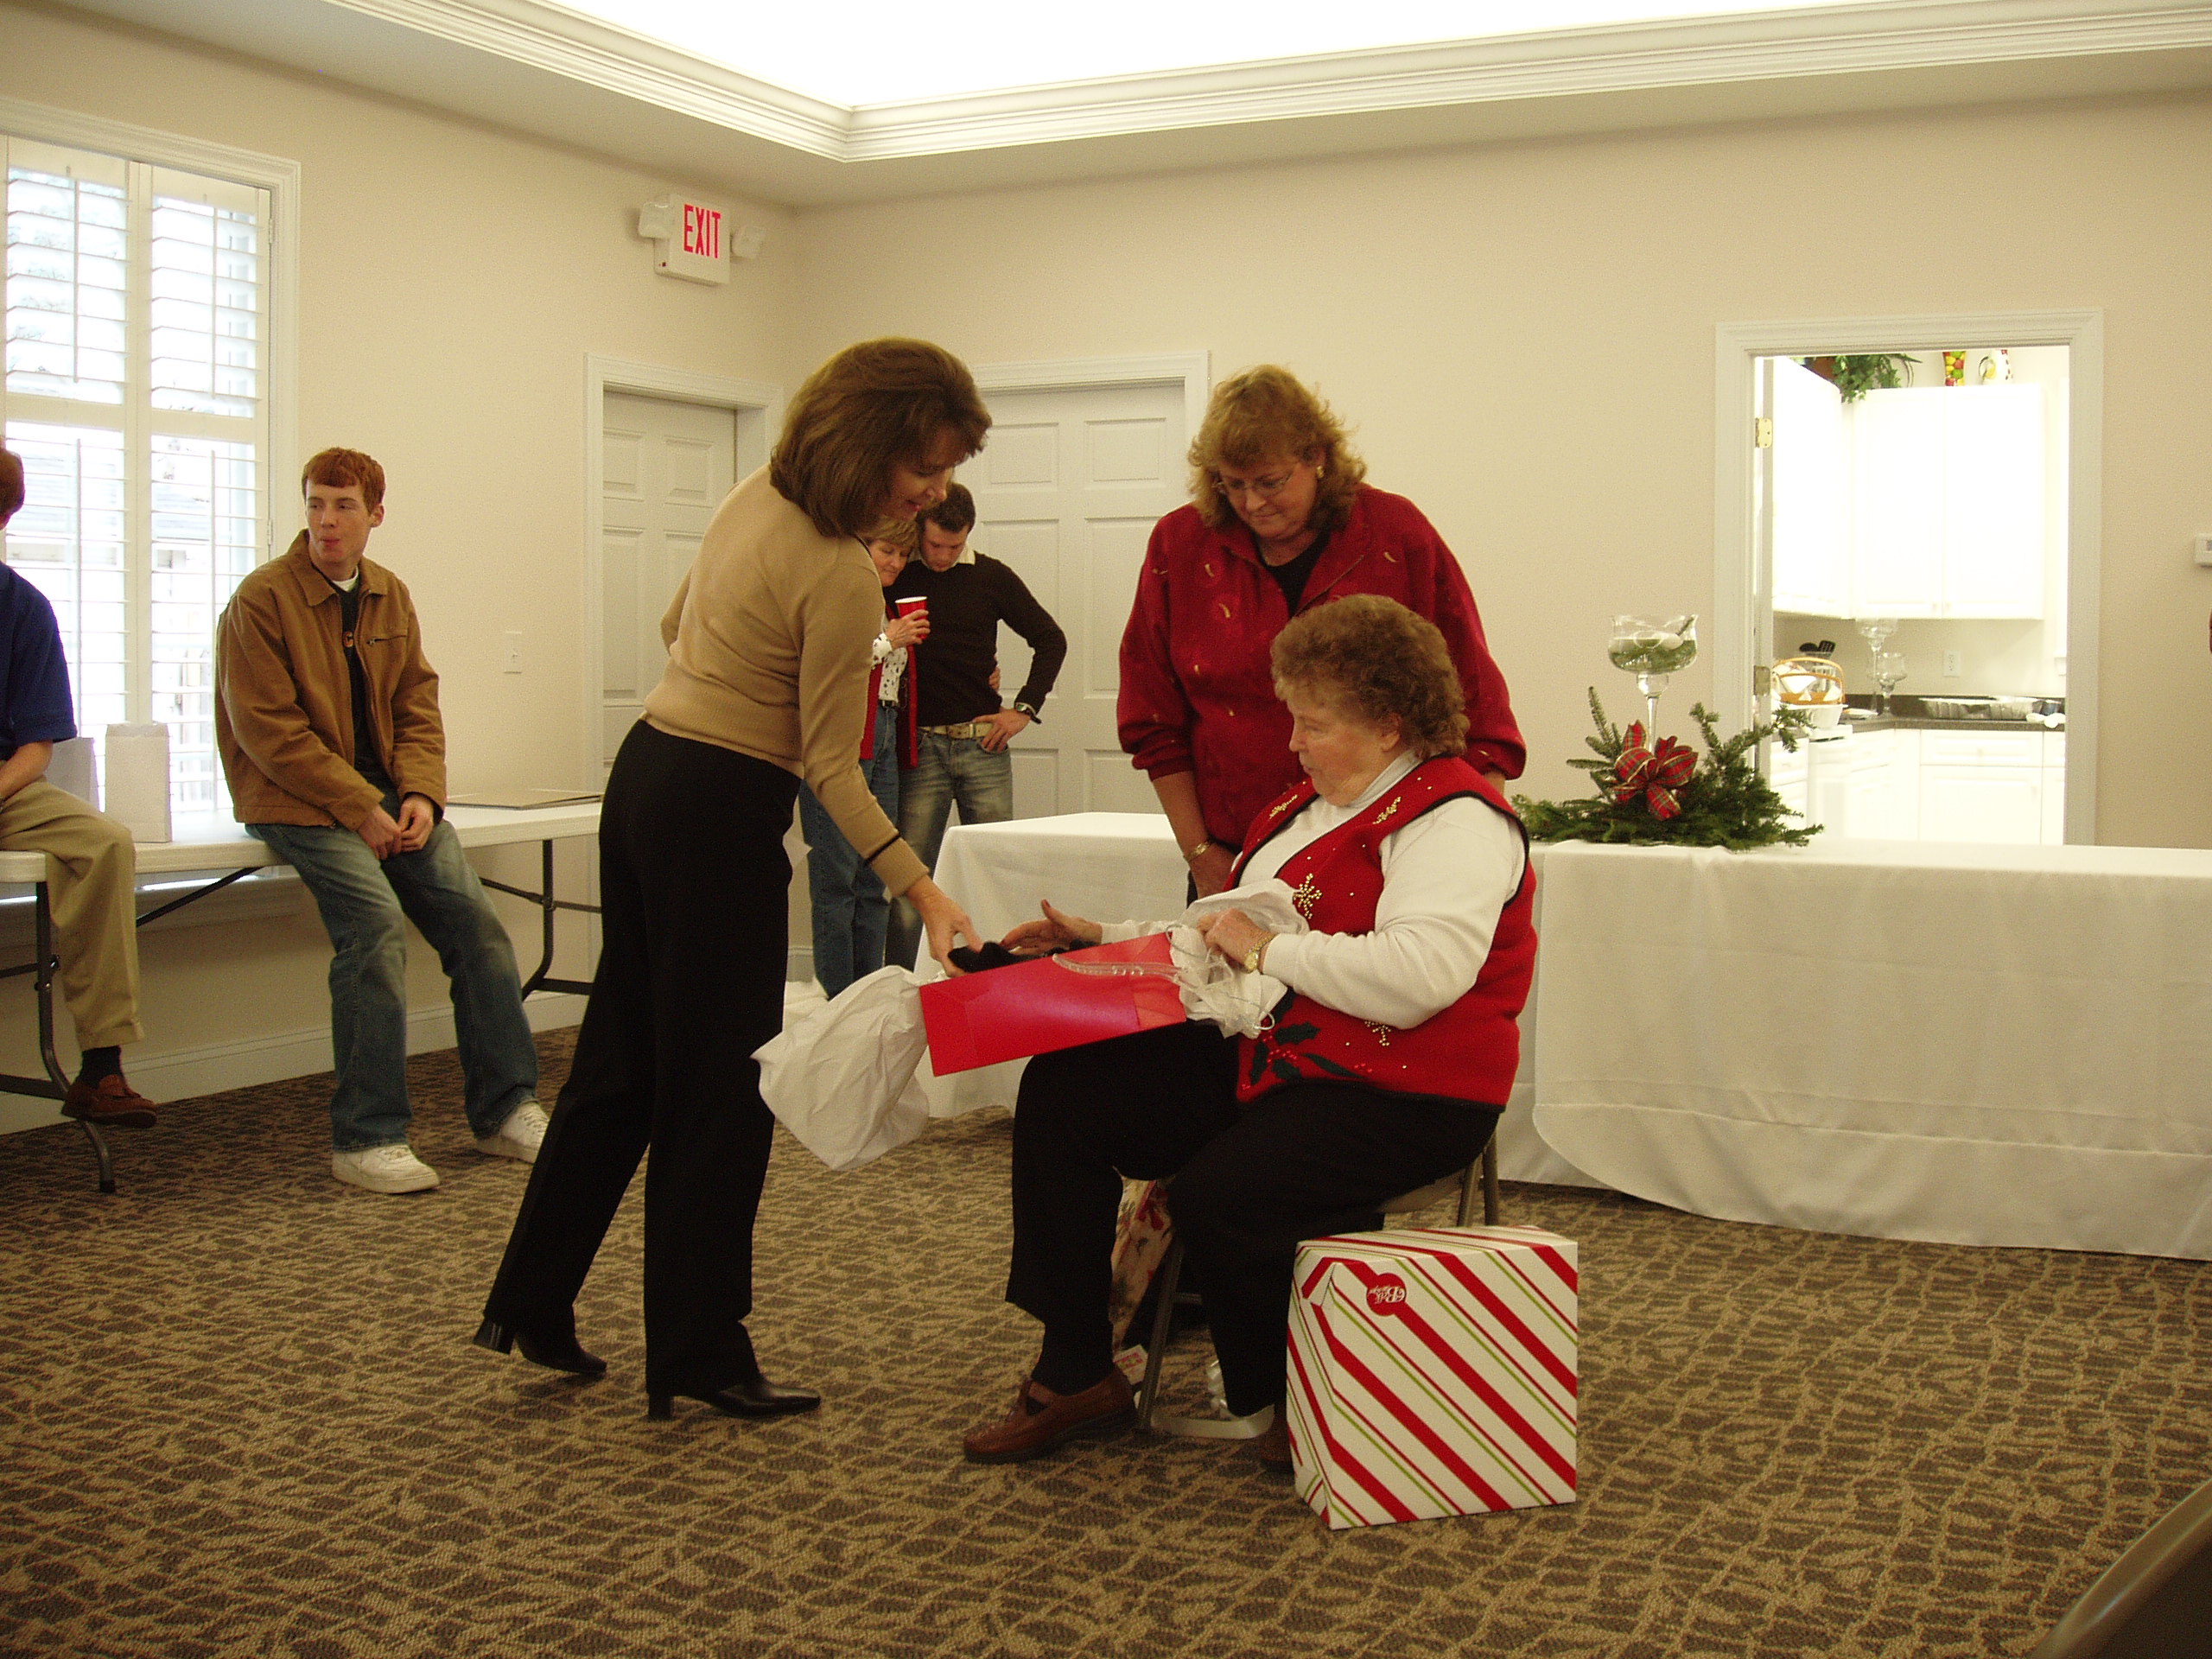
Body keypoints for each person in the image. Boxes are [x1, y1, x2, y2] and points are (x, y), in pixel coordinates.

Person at [478, 339, 986, 1421]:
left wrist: (738, 671)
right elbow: (832, 771)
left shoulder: (754, 493)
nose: (935, 491)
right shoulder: (841, 574)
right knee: (719, 1091)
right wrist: (928, 893)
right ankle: (699, 1351)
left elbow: (675, 625)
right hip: (716, 811)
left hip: (647, 775)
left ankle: (531, 1300)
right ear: (870, 444)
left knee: (621, 1061)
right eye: (924, 467)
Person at [963, 595, 1534, 1471]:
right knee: (1067, 1090)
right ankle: (1076, 1368)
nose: (1293, 743)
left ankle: (1286, 1403)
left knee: (1223, 1193)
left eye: (1314, 724)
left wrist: (1269, 951)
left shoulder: (1455, 818)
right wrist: (1102, 939)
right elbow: (1222, 933)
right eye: (1291, 720)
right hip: (1281, 1055)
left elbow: (1420, 978)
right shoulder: (1305, 809)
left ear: (1390, 726)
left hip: (1411, 1090)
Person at [215, 448, 544, 1194]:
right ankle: (367, 1137)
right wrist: (359, 806)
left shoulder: (389, 594)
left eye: (343, 506)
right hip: (295, 798)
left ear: (375, 515)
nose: (326, 521)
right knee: (374, 927)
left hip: (388, 795)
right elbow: (269, 731)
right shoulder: (262, 599)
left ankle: (505, 1110)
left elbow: (416, 705)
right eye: (315, 503)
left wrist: (421, 793)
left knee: (478, 927)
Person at [1118, 365, 1525, 899]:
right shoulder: (1181, 544)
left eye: (1270, 482)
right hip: (1232, 856)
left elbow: (1476, 701)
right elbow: (1152, 716)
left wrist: (1470, 844)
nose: (1252, 503)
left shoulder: (1394, 532)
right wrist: (1200, 855)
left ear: (1317, 457)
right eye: (1233, 484)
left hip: (1386, 858)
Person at [0, 447, 156, 1128]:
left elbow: (36, 748)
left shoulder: (24, 609)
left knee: (106, 841)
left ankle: (101, 1066)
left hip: (6, 787)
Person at [884, 481, 1065, 969]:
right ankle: (901, 983)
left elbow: (1051, 639)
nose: (943, 556)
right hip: (918, 746)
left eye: (955, 545)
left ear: (968, 534)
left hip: (983, 745)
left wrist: (1023, 709)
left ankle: (997, 977)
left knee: (999, 870)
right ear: (918, 529)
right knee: (908, 878)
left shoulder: (991, 577)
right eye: (934, 544)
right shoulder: (895, 573)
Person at [798, 515, 925, 997]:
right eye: (886, 551)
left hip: (883, 732)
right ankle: (838, 999)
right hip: (841, 740)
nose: (895, 562)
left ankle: (868, 993)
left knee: (876, 879)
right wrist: (891, 640)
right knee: (837, 880)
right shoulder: (842, 595)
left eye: (902, 554)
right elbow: (827, 662)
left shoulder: (884, 601)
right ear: (861, 547)